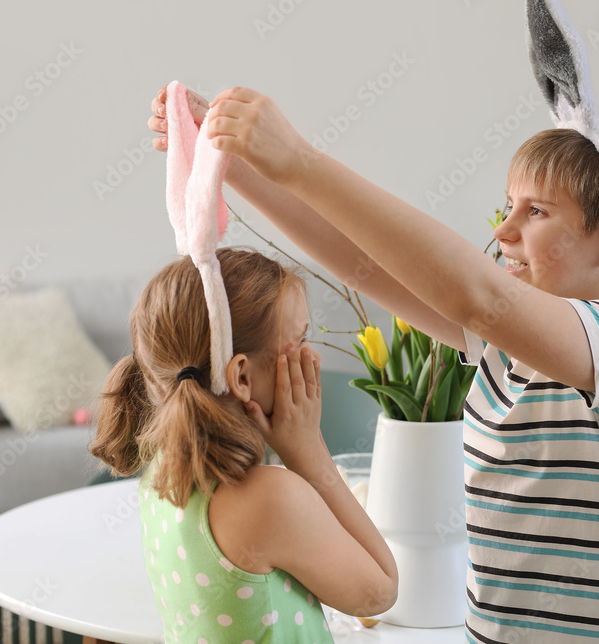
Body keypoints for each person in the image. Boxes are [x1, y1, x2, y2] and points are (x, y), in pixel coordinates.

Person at [144, 0, 599, 642]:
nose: (506, 227)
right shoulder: (507, 347)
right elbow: (363, 265)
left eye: (537, 212)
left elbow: (481, 296)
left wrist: (301, 160)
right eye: (508, 205)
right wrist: (236, 165)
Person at [89, 248, 399, 643]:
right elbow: (380, 591)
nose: (311, 355)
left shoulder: (162, 473)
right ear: (242, 377)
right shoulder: (271, 498)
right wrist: (307, 451)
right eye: (299, 340)